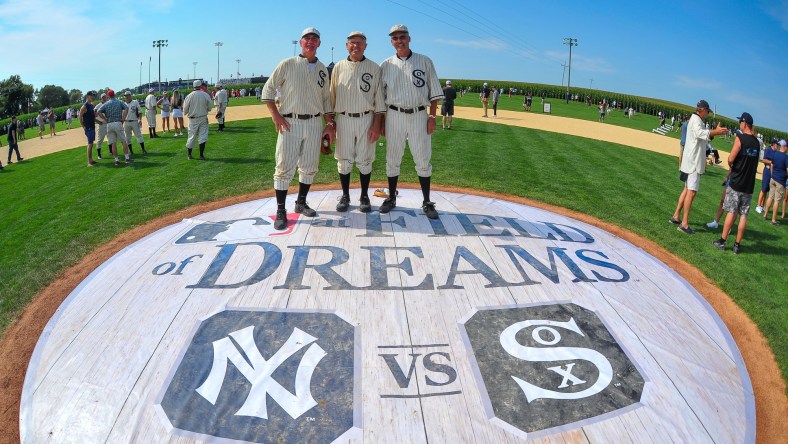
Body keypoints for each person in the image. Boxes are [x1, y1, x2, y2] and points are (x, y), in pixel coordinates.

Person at [262, 27, 335, 230]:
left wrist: (329, 124)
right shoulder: (287, 63)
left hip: (314, 122)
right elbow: (267, 90)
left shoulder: (322, 69)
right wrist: (275, 115)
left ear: (319, 43)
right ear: (301, 42)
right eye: (306, 38)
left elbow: (326, 100)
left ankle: (301, 202)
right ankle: (280, 210)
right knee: (284, 167)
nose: (310, 41)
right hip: (290, 121)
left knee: (310, 166)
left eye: (314, 39)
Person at [380, 24, 444, 219]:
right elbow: (381, 97)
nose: (399, 40)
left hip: (418, 114)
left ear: (409, 38)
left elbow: (434, 93)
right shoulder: (386, 65)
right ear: (391, 41)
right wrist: (382, 122)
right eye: (395, 38)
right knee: (393, 158)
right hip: (394, 115)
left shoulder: (424, 61)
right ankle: (391, 197)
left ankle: (426, 201)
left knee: (423, 158)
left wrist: (432, 117)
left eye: (402, 37)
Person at [330, 30, 385, 213]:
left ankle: (364, 195)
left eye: (360, 42)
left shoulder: (374, 68)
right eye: (352, 42)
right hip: (344, 118)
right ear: (347, 46)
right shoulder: (338, 67)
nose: (356, 45)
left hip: (366, 118)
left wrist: (377, 124)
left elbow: (379, 100)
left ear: (365, 46)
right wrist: (330, 123)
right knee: (344, 161)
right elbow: (331, 97)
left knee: (365, 159)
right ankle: (345, 195)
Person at [670, 99, 727, 234]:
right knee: (692, 191)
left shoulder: (696, 120)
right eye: (707, 111)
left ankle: (676, 216)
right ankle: (684, 223)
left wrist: (712, 133)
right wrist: (716, 132)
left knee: (686, 189)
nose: (707, 114)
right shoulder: (696, 120)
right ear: (702, 110)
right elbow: (701, 134)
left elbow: (703, 136)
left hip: (690, 161)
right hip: (693, 163)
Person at [711, 113, 760, 254]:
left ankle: (722, 241)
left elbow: (731, 158)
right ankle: (737, 245)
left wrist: (732, 163)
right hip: (749, 185)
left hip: (737, 181)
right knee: (743, 214)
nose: (739, 124)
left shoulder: (740, 138)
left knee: (732, 211)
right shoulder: (757, 143)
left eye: (740, 122)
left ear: (744, 123)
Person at [94, 89, 132, 165]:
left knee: (113, 143)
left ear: (108, 96)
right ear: (114, 94)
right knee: (123, 141)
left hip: (109, 124)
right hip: (118, 122)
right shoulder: (119, 102)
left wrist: (105, 119)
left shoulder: (106, 104)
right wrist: (123, 118)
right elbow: (127, 108)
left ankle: (116, 160)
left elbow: (98, 112)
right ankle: (127, 158)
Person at [183, 80, 213, 160]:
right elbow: (210, 107)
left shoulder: (189, 96)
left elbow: (185, 110)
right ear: (200, 86)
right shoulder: (205, 95)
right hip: (203, 117)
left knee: (191, 137)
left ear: (193, 86)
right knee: (203, 136)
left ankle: (189, 155)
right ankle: (201, 155)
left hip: (193, 119)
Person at [763, 139, 788, 225]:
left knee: (770, 197)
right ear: (784, 147)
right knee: (777, 200)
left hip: (773, 178)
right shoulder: (786, 157)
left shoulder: (775, 154)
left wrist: (772, 174)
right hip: (780, 181)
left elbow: (772, 165)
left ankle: (765, 214)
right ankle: (773, 220)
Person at [755, 137, 778, 213]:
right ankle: (758, 206)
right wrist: (771, 162)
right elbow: (764, 160)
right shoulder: (768, 150)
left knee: (767, 190)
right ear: (773, 144)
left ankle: (762, 205)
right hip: (767, 170)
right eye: (776, 144)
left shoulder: (776, 151)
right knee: (764, 189)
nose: (777, 146)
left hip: (773, 171)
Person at [78, 91, 97, 166]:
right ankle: (89, 162)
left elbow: (93, 117)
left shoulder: (91, 105)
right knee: (90, 144)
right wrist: (83, 127)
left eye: (93, 96)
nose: (93, 97)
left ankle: (91, 159)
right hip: (88, 127)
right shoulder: (84, 106)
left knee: (91, 143)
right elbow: (80, 117)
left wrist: (99, 121)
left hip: (92, 126)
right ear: (88, 96)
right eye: (91, 96)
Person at [94, 93, 110, 159]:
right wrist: (98, 121)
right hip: (101, 124)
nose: (104, 98)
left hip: (108, 123)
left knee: (110, 137)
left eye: (105, 97)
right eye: (103, 97)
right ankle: (99, 154)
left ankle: (111, 151)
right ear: (101, 99)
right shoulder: (98, 106)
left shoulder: (109, 104)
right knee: (100, 139)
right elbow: (93, 116)